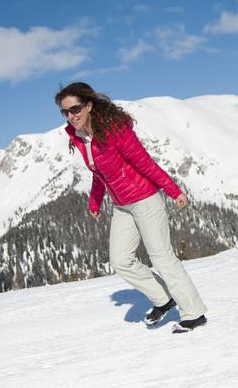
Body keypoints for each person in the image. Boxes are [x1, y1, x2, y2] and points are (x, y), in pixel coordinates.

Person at [54, 82, 207, 333]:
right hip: (122, 206)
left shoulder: (114, 130)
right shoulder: (81, 138)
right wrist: (95, 201)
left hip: (145, 199)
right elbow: (98, 173)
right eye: (66, 112)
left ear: (89, 106)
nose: (71, 116)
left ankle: (194, 313)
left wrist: (173, 190)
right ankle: (163, 299)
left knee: (161, 257)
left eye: (75, 109)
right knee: (121, 260)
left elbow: (143, 162)